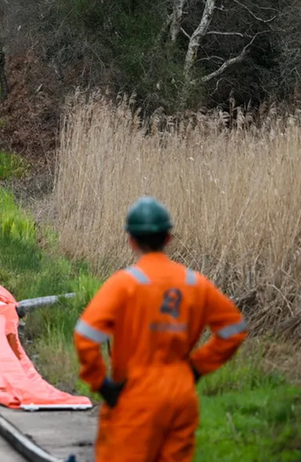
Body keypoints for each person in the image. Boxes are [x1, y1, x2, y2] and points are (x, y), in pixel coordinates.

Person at [73, 196, 247, 462]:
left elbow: (85, 336)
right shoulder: (194, 283)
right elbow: (234, 329)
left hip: (134, 397)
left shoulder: (124, 285)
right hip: (181, 396)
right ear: (169, 239)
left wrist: (101, 383)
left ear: (130, 240)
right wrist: (197, 367)